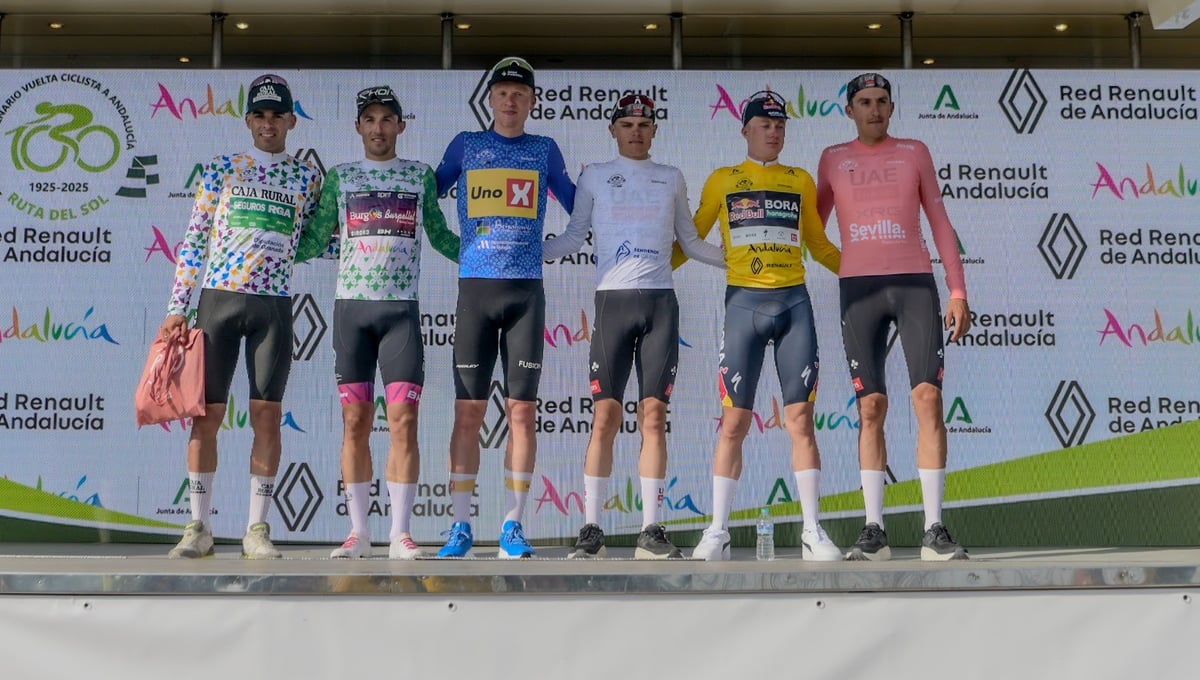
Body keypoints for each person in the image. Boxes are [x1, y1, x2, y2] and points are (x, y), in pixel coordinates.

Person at [539, 93, 725, 559]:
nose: (636, 131)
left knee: (654, 416)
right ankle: (591, 529)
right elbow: (573, 237)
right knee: (605, 416)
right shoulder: (595, 176)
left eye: (644, 124)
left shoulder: (671, 177)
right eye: (627, 124)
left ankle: (651, 529)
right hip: (612, 304)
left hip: (661, 303)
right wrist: (525, 250)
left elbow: (691, 242)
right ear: (613, 130)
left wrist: (744, 260)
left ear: (655, 130)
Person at [161, 74, 324, 559]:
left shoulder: (307, 178)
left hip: (273, 304)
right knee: (206, 415)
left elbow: (317, 241)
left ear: (292, 121)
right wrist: (177, 307)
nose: (268, 123)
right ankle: (198, 527)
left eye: (278, 115)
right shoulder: (221, 169)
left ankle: (257, 529)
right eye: (260, 115)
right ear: (249, 120)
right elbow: (195, 239)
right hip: (219, 301)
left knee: (267, 415)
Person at [680, 90, 844, 562]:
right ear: (746, 130)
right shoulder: (722, 180)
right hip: (743, 306)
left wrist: (864, 273)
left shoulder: (800, 180)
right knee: (734, 422)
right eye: (765, 125)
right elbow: (691, 239)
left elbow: (820, 246)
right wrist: (649, 270)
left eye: (780, 125)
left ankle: (812, 530)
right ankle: (717, 531)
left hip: (794, 303)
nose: (774, 132)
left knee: (801, 420)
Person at [297, 86, 460, 559]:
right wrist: (262, 246)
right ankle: (359, 533)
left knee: (404, 421)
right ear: (358, 127)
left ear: (401, 126)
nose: (378, 128)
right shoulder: (341, 177)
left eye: (387, 119)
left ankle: (400, 533)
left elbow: (441, 237)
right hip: (352, 312)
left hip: (400, 314)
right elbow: (314, 239)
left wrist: (486, 251)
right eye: (370, 119)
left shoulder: (419, 176)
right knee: (356, 422)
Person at [816, 73, 971, 561]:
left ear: (892, 107)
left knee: (928, 398)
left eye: (882, 101)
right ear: (850, 110)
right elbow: (811, 228)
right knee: (870, 407)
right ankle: (874, 530)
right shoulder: (832, 158)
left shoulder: (914, 152)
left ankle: (934, 528)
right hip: (858, 290)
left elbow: (940, 221)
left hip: (914, 285)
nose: (875, 109)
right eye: (864, 102)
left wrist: (958, 290)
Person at [432, 57, 576, 559]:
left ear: (532, 101)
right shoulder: (466, 145)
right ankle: (460, 526)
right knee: (467, 413)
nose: (510, 101)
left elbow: (579, 205)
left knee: (522, 413)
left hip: (525, 295)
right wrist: (452, 245)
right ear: (489, 99)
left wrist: (554, 246)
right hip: (476, 291)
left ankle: (514, 525)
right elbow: (425, 197)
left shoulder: (544, 149)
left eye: (519, 93)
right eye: (502, 93)